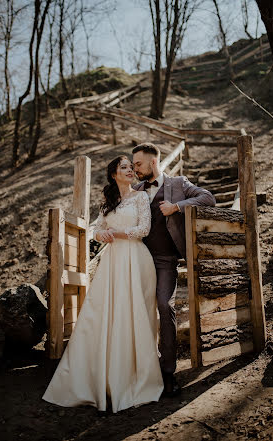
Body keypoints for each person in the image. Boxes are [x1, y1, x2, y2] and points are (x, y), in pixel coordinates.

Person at [42, 155, 163, 413]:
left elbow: (144, 229)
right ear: (113, 174)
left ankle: (136, 376)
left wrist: (115, 233)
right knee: (107, 312)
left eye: (132, 167)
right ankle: (103, 376)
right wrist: (102, 233)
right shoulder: (108, 203)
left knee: (135, 313)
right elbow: (96, 229)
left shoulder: (141, 197)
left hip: (136, 259)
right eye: (124, 168)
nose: (130, 170)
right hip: (113, 262)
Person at [132, 143, 216, 396]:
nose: (135, 168)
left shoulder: (178, 183)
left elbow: (208, 198)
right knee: (134, 309)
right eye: (133, 164)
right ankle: (136, 369)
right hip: (136, 258)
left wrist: (177, 207)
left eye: (138, 163)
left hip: (165, 259)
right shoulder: (134, 189)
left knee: (165, 305)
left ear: (153, 162)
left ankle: (168, 373)